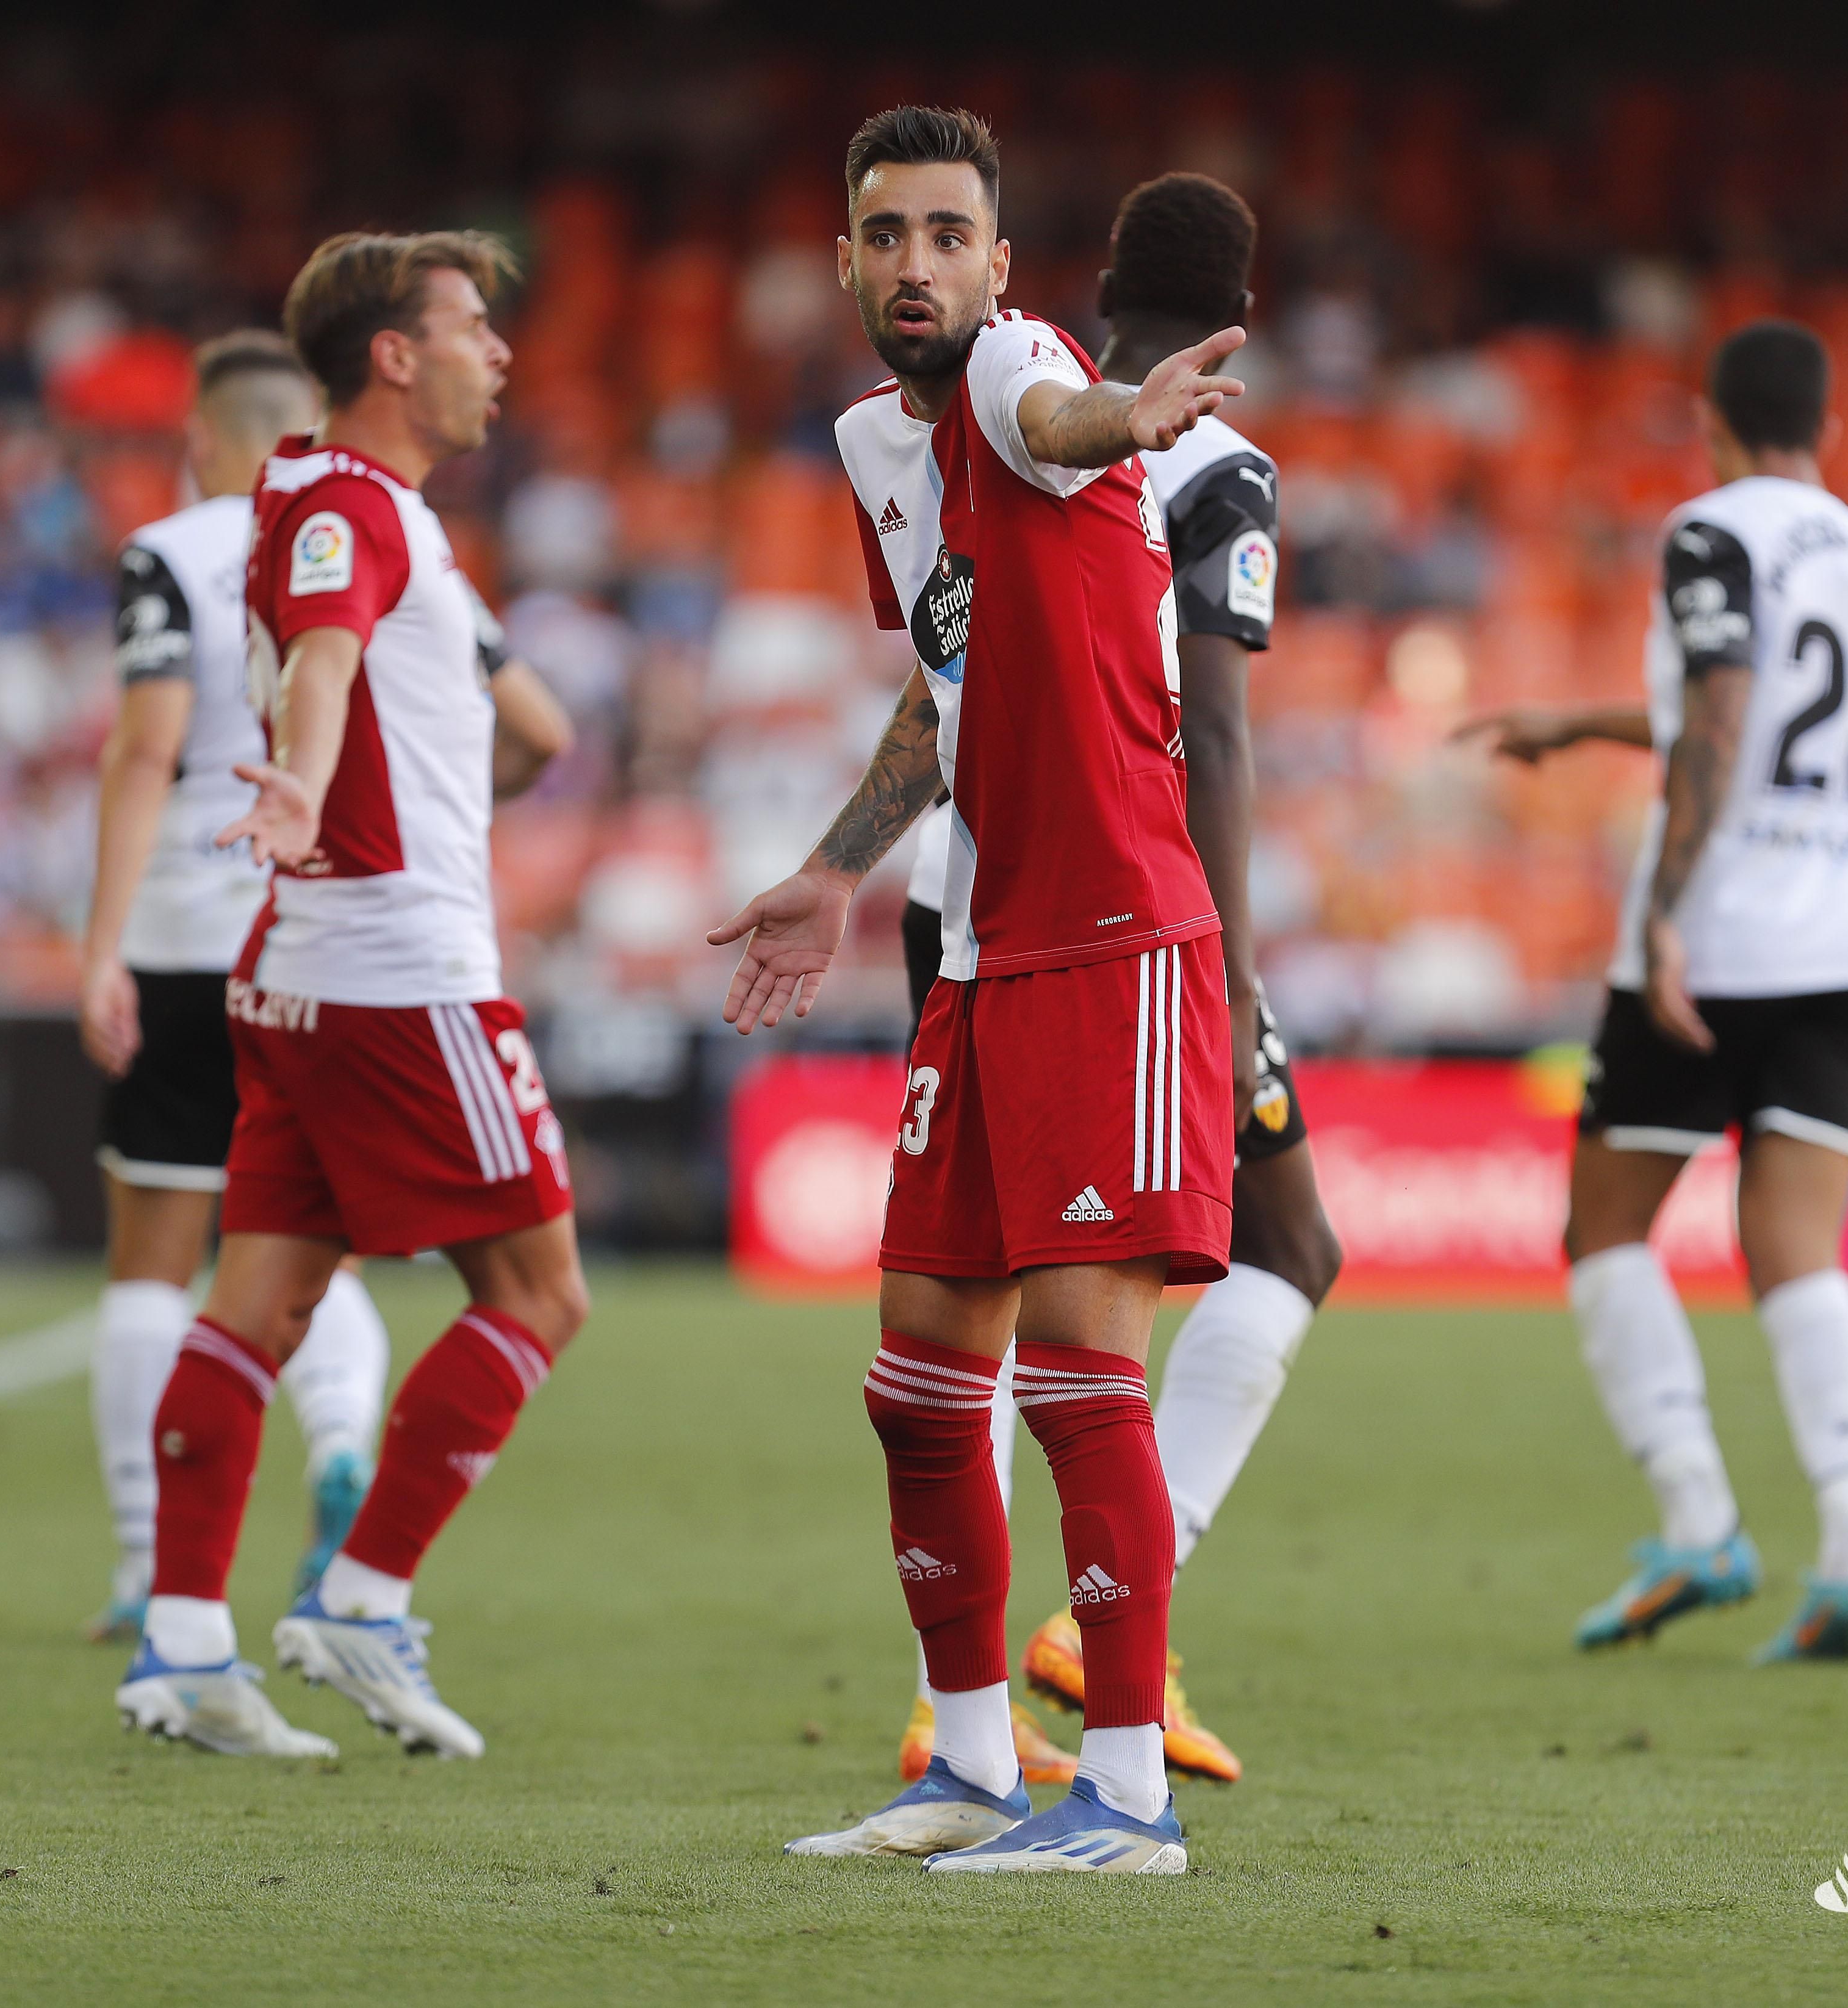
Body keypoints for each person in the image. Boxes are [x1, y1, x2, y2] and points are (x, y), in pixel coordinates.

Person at [712, 106, 1242, 1873]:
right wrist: (830, 868)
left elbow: (1051, 418)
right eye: (887, 236)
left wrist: (1130, 413)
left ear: (1000, 267)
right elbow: (946, 684)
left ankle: (1128, 1797)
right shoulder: (877, 442)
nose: (918, 266)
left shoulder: (1029, 367)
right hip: (982, 949)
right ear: (847, 261)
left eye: (950, 234)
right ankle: (962, 1763)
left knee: (1082, 1370)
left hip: (1113, 942)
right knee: (921, 1377)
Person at [891, 172, 1342, 1791]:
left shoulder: (998, 425)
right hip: (1127, 914)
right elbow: (1211, 730)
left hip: (968, 905)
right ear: (1241, 302)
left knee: (966, 1312)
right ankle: (1094, 1652)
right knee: (1258, 1253)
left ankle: (969, 1707)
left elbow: (940, 684)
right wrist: (1219, 967)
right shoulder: (1212, 458)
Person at [112, 231, 586, 1762]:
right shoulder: (346, 506)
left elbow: (453, 703)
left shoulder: (345, 503)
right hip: (398, 972)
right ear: (393, 353)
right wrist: (307, 784)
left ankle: (185, 1643)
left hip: (305, 971)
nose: (496, 354)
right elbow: (319, 656)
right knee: (537, 1292)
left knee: (256, 1301)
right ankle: (361, 1596)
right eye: (470, 327)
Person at [1456, 319, 1848, 1663]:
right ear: (1825, 431)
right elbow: (1760, 717)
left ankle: (1700, 1515)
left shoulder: (1708, 530)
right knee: (1795, 1253)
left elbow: (1721, 716)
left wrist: (1659, 920)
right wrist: (1583, 721)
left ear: (1711, 422)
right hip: (1845, 935)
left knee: (1603, 1229)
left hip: (1713, 939)